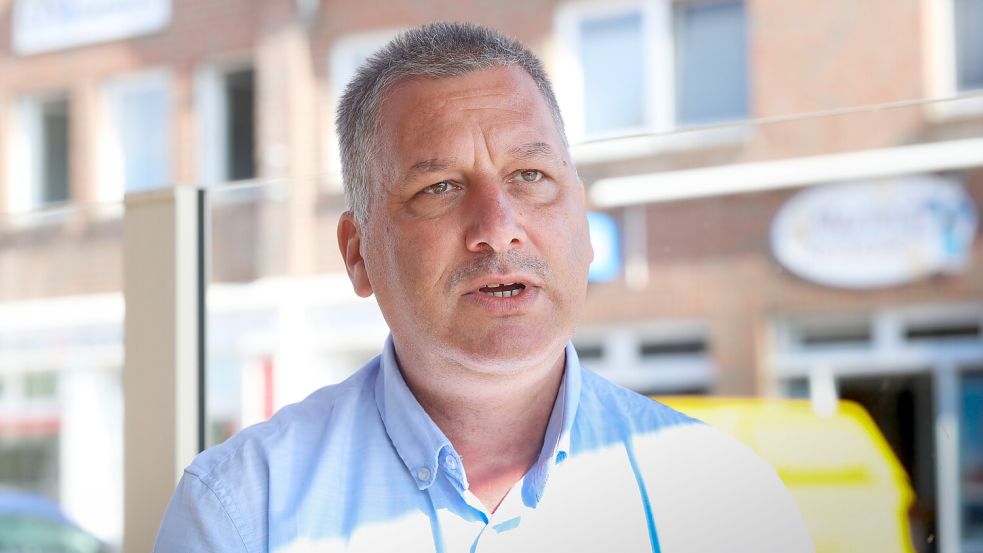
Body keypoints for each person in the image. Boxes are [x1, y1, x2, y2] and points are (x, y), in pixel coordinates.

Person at [153, 22, 813, 552]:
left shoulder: (725, 501)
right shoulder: (244, 511)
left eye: (529, 175)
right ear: (358, 255)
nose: (498, 230)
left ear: (580, 222)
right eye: (438, 188)